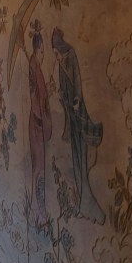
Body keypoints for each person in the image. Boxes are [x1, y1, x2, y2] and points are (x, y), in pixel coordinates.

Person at [52, 27, 105, 224]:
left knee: (81, 160)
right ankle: (83, 205)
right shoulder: (60, 63)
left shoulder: (71, 57)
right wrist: (60, 95)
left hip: (78, 116)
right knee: (76, 161)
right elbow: (63, 88)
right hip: (71, 118)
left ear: (60, 49)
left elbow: (77, 84)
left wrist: (75, 100)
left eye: (56, 53)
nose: (55, 58)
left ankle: (89, 204)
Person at [28, 22, 52, 228]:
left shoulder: (34, 66)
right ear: (37, 50)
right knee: (38, 169)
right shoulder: (35, 68)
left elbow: (40, 95)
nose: (44, 56)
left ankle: (38, 210)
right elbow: (39, 100)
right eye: (42, 51)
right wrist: (43, 123)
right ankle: (39, 214)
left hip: (36, 123)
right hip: (36, 125)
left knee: (37, 167)